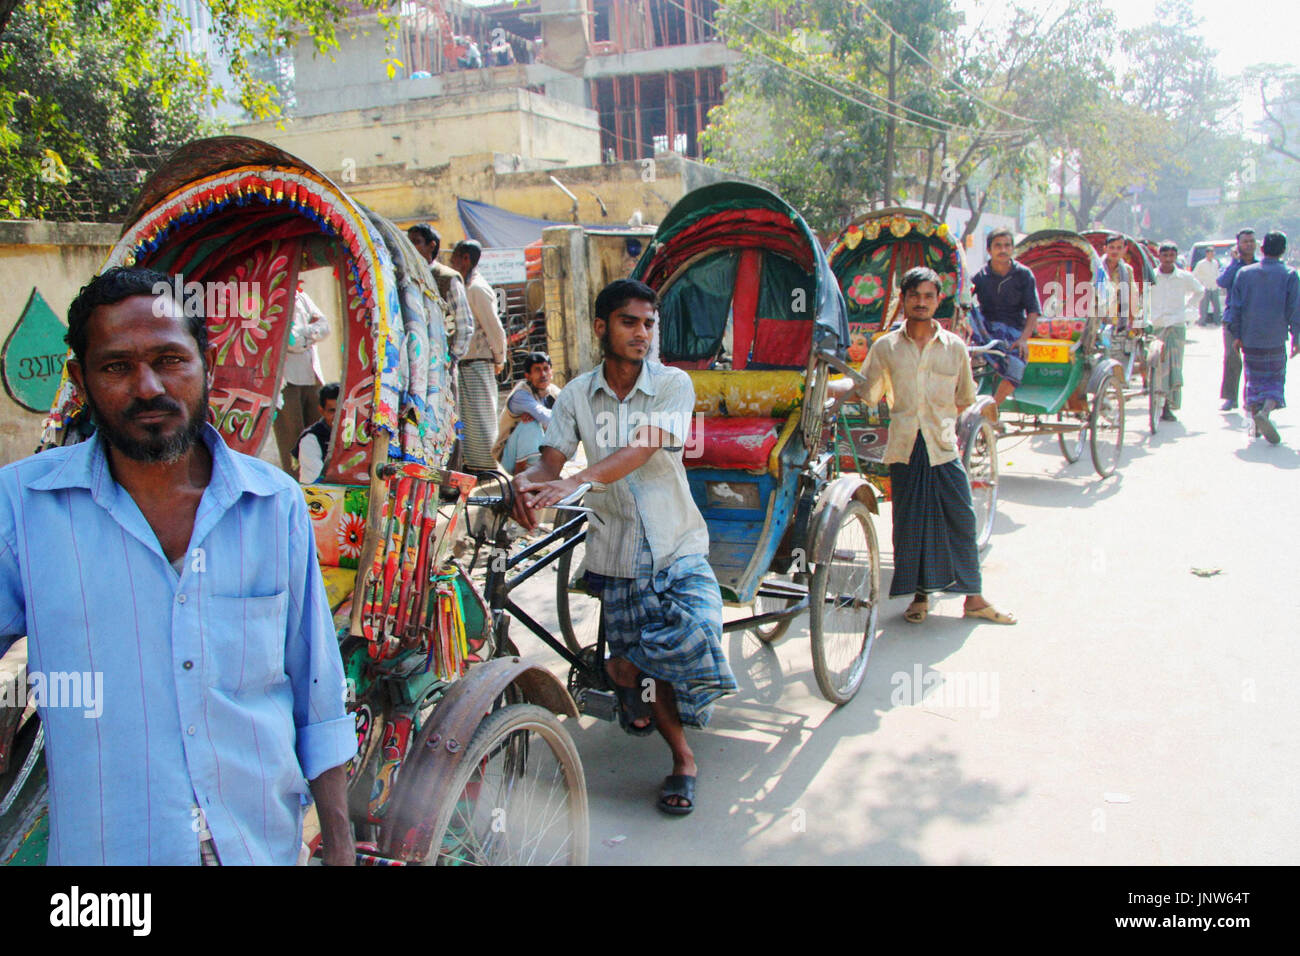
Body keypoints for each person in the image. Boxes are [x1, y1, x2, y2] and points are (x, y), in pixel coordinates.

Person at [0, 268, 357, 865]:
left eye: (170, 359)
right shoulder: (22, 507)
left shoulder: (274, 504)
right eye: (116, 366)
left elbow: (317, 696)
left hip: (257, 847)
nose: (148, 387)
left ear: (206, 367)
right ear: (79, 381)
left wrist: (341, 849)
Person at [510, 279, 737, 815]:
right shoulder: (573, 395)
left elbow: (642, 448)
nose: (642, 333)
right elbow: (550, 460)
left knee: (699, 633)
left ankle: (623, 670)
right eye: (629, 322)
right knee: (654, 669)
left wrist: (578, 480)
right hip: (615, 551)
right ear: (601, 327)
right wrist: (528, 480)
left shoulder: (673, 384)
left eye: (648, 324)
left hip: (675, 541)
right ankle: (683, 759)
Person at [828, 266, 1015, 626]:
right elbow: (869, 393)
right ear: (904, 299)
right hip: (903, 445)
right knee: (910, 524)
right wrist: (837, 386)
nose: (921, 302)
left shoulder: (954, 347)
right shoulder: (886, 347)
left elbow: (965, 398)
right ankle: (919, 597)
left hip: (943, 445)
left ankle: (973, 598)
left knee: (960, 518)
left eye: (929, 296)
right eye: (914, 295)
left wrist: (940, 420)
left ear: (937, 300)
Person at [1227, 230, 1300, 444]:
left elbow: (1235, 307)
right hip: (1275, 338)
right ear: (1283, 251)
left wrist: (1236, 334)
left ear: (1262, 248)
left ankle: (1255, 422)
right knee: (1274, 378)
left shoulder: (1245, 273)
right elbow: (1295, 309)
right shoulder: (1290, 274)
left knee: (1253, 379)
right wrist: (1296, 337)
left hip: (1250, 337)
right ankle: (1266, 410)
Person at [969, 226, 1042, 414]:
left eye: (1007, 246)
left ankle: (992, 407)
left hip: (1014, 330)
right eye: (998, 246)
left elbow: (1033, 310)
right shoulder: (980, 277)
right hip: (985, 330)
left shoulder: (1024, 275)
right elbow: (965, 301)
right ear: (989, 250)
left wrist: (1024, 339)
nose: (1003, 250)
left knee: (1017, 364)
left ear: (1012, 249)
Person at [451, 239, 507, 471]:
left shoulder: (476, 289)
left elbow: (495, 330)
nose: (451, 262)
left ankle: (487, 469)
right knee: (470, 422)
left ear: (465, 259)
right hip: (467, 365)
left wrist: (499, 359)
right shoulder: (465, 287)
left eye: (454, 257)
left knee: (482, 422)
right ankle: (475, 466)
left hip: (478, 363)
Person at [273, 286, 331, 475]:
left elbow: (325, 327)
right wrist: (309, 335)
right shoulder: (271, 294)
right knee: (293, 443)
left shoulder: (302, 295)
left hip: (311, 376)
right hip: (286, 381)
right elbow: (289, 341)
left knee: (321, 435)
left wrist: (303, 334)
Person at [1147, 242, 1203, 423]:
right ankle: (1157, 403)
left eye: (1171, 256)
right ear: (1159, 257)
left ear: (1175, 257)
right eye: (1165, 256)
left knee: (1174, 367)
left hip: (1176, 326)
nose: (1168, 260)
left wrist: (1187, 309)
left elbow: (1199, 291)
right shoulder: (1151, 276)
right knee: (1157, 367)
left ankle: (1168, 406)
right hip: (1157, 326)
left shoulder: (1183, 277)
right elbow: (1141, 297)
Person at [407, 223, 473, 358]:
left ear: (431, 246)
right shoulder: (408, 277)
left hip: (442, 360)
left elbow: (464, 324)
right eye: (409, 242)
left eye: (417, 242)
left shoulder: (448, 278)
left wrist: (452, 357)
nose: (411, 247)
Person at [494, 351, 560, 474]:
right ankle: (520, 476)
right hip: (509, 456)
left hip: (538, 452)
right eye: (537, 370)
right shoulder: (521, 394)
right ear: (528, 375)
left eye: (546, 369)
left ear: (552, 372)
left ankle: (544, 472)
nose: (543, 374)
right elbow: (546, 418)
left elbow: (572, 415)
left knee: (567, 431)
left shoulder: (553, 391)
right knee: (531, 424)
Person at [1218, 228, 1257, 410]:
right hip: (1233, 319)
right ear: (1238, 245)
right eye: (1245, 242)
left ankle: (1251, 397)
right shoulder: (1233, 266)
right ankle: (1230, 398)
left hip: (1254, 319)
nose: (1249, 245)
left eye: (1251, 241)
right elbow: (1222, 282)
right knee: (1232, 358)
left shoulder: (1260, 266)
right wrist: (1235, 262)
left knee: (1254, 359)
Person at [295, 382, 339, 484]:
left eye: (342, 410)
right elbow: (317, 480)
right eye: (332, 411)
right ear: (321, 411)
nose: (338, 417)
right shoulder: (310, 440)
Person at [1098, 233, 1136, 333]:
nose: (1115, 251)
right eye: (1112, 247)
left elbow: (1132, 296)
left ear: (1125, 250)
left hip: (1117, 323)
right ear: (1105, 249)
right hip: (1095, 321)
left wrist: (1134, 322)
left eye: (1119, 248)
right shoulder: (1096, 267)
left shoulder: (1127, 271)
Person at [1192, 248, 1222, 325]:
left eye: (1213, 253)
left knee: (1217, 306)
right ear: (1207, 254)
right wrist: (1201, 282)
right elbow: (1195, 274)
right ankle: (1202, 321)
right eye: (1210, 253)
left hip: (1214, 286)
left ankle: (1217, 321)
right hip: (1205, 287)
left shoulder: (1215, 262)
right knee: (1204, 306)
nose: (1212, 255)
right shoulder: (1201, 263)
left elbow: (1217, 273)